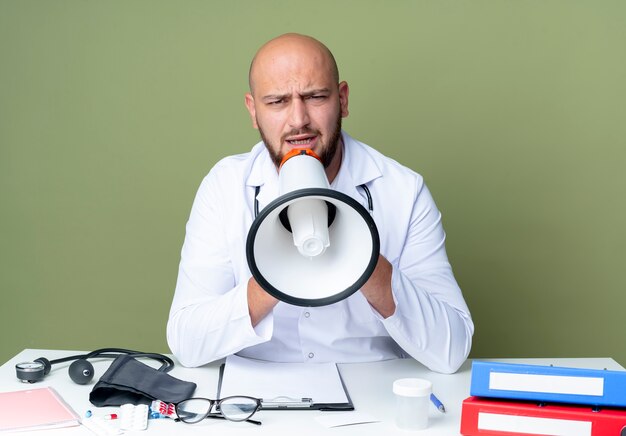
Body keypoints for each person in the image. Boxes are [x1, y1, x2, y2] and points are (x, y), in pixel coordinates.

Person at [167, 33, 473, 374]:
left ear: (342, 100)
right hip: (260, 400)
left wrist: (363, 260)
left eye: (314, 97)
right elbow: (187, 344)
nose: (298, 120)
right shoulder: (224, 187)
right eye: (277, 102)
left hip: (373, 392)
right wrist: (274, 275)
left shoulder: (403, 189)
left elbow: (453, 350)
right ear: (253, 111)